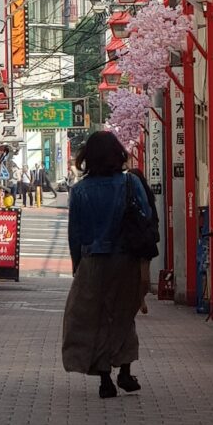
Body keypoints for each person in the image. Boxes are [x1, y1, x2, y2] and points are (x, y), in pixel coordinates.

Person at [61, 131, 155, 399]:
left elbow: (75, 234)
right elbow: (146, 216)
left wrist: (77, 266)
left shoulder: (79, 191)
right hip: (126, 260)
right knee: (124, 315)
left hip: (93, 262)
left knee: (96, 318)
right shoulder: (129, 184)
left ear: (87, 158)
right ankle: (124, 370)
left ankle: (104, 378)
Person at [131, 168, 160, 314]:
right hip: (133, 242)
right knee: (135, 278)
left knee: (144, 279)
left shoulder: (148, 199)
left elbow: (154, 218)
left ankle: (139, 299)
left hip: (144, 241)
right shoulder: (127, 198)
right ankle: (137, 301)